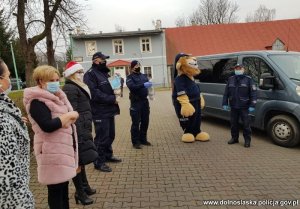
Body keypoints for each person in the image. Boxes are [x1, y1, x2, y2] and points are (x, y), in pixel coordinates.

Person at [23, 65, 79, 209]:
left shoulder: (57, 96)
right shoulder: (36, 101)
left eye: (57, 79)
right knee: (55, 193)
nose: (56, 83)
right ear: (41, 81)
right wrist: (68, 116)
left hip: (62, 151)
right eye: (51, 80)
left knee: (64, 189)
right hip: (51, 153)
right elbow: (47, 126)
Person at [63, 61, 99, 205]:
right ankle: (80, 193)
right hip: (78, 130)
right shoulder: (70, 88)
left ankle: (85, 187)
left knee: (82, 160)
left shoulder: (78, 86)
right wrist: (78, 132)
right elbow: (72, 112)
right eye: (79, 72)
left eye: (81, 71)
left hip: (83, 127)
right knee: (78, 162)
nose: (81, 74)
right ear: (72, 73)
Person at [0, 58, 35, 209]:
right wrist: (24, 202)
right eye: (8, 76)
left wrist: (14, 120)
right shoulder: (2, 121)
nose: (10, 80)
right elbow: (6, 177)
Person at [84, 52, 122, 173]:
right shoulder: (90, 75)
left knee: (111, 135)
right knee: (101, 137)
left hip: (109, 110)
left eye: (105, 59)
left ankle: (108, 155)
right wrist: (112, 99)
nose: (105, 61)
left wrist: (118, 87)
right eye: (103, 59)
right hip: (99, 111)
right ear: (95, 60)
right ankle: (98, 161)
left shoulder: (104, 72)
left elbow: (110, 88)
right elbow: (94, 93)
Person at [222, 64, 257, 148]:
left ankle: (247, 141)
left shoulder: (249, 80)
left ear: (243, 69)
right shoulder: (231, 79)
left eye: (239, 68)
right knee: (233, 124)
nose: (238, 70)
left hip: (244, 107)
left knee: (246, 125)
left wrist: (253, 105)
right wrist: (225, 103)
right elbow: (226, 93)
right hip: (233, 106)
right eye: (236, 69)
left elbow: (254, 93)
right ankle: (234, 138)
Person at [126, 60, 152, 149]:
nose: (138, 66)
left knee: (145, 121)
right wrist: (143, 85)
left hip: (145, 101)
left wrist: (151, 92)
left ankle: (143, 139)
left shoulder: (143, 75)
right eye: (136, 65)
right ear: (132, 67)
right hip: (136, 102)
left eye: (139, 65)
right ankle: (135, 142)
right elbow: (132, 87)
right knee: (136, 122)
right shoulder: (130, 77)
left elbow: (148, 87)